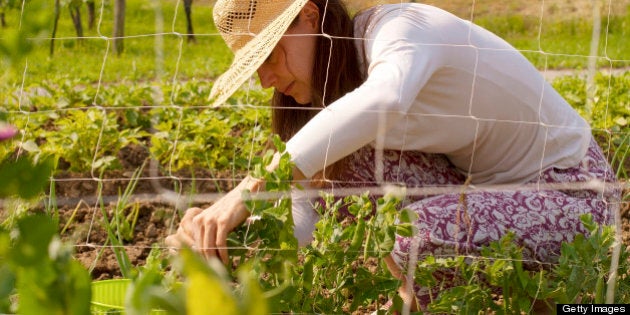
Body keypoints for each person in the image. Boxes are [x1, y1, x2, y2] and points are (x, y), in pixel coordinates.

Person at [166, 0, 619, 310]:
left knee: (414, 236)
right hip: (491, 196)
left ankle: (576, 306)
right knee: (347, 164)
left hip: (574, 196)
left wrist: (253, 185)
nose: (266, 80)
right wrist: (233, 246)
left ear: (307, 16)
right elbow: (307, 208)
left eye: (270, 55)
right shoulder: (330, 89)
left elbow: (387, 98)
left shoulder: (400, 31)